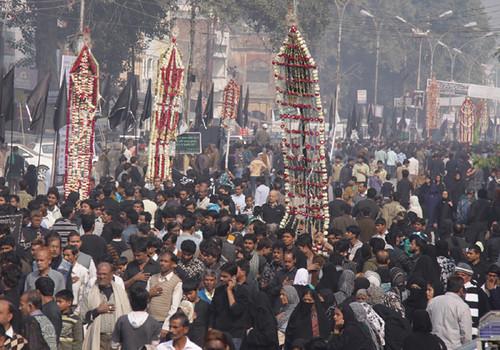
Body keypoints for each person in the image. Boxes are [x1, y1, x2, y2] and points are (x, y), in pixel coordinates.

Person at [80, 262, 131, 350]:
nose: (101, 277)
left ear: (112, 274)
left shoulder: (121, 293)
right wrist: (97, 311)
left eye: (104, 274)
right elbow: (82, 318)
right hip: (98, 339)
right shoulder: (89, 293)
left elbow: (128, 316)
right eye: (99, 274)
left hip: (116, 339)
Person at [209, 262, 250, 350]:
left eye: (225, 276)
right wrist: (210, 328)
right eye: (221, 276)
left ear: (233, 277)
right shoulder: (218, 290)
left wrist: (229, 291)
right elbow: (213, 311)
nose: (221, 279)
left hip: (234, 334)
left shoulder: (243, 292)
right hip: (219, 333)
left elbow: (235, 310)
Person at [426, 276, 472, 349]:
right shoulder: (462, 306)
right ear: (461, 289)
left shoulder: (433, 302)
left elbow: (427, 325)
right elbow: (466, 335)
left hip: (434, 346)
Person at [111, 285, 161, 350]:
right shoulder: (154, 323)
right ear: (147, 301)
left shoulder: (122, 321)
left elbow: (114, 345)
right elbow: (155, 346)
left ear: (130, 301)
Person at [147, 251, 183, 335]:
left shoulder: (177, 282)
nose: (162, 263)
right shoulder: (152, 278)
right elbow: (146, 301)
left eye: (166, 261)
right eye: (161, 261)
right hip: (149, 319)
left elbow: (174, 307)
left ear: (173, 264)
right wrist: (149, 294)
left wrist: (166, 327)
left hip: (162, 322)